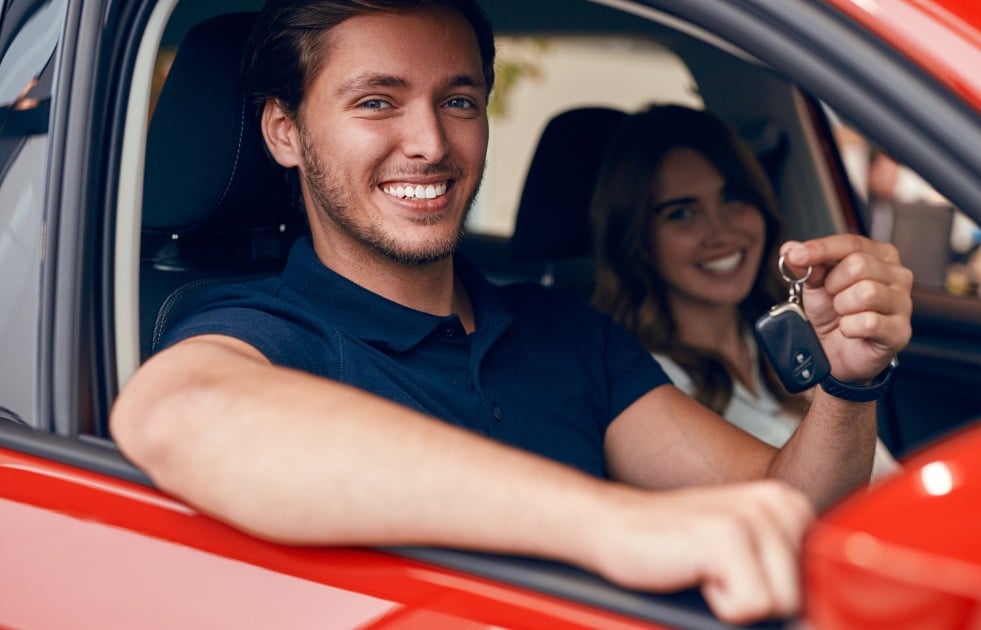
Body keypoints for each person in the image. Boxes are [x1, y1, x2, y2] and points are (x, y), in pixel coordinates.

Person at [110, 0, 912, 624]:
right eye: (377, 103)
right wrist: (617, 526)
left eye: (457, 100)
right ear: (286, 133)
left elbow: (786, 501)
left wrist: (844, 388)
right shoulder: (268, 331)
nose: (429, 142)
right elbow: (176, 411)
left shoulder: (563, 332)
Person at [591, 104, 905, 481]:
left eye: (732, 198)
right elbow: (792, 510)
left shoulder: (791, 336)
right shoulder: (639, 386)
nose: (721, 232)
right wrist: (845, 387)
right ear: (637, 239)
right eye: (682, 214)